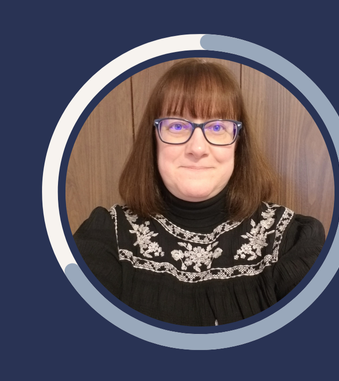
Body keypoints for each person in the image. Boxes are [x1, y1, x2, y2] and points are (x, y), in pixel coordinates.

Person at [74, 58, 325, 327]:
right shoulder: (107, 237)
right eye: (177, 126)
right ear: (153, 140)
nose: (197, 148)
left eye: (217, 127)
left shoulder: (291, 240)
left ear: (239, 143)